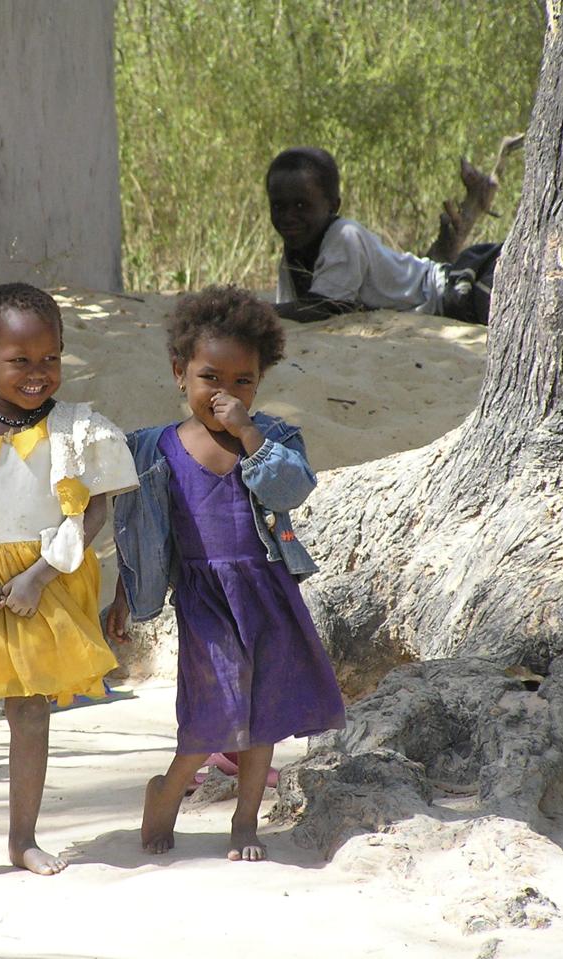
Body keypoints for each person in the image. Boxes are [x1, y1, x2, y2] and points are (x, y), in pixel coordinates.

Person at [0, 282, 138, 890]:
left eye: (50, 358)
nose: (38, 373)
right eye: (19, 361)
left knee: (31, 711)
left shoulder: (78, 431)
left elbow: (92, 511)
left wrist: (40, 575)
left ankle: (23, 838)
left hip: (48, 583)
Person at [106, 285, 346, 862]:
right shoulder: (155, 448)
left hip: (266, 590)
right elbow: (140, 532)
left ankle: (245, 819)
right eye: (210, 378)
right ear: (180, 373)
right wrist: (124, 594)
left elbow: (291, 490)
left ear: (259, 383)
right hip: (205, 596)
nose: (225, 394)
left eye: (243, 382)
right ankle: (168, 790)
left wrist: (249, 434)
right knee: (212, 708)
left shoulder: (272, 440)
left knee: (262, 710)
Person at [267, 146, 497, 325]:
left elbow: (322, 308)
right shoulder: (293, 253)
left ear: (333, 206)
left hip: (452, 291)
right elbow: (293, 310)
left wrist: (256, 309)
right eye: (278, 206)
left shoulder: (344, 236)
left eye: (301, 205)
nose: (288, 216)